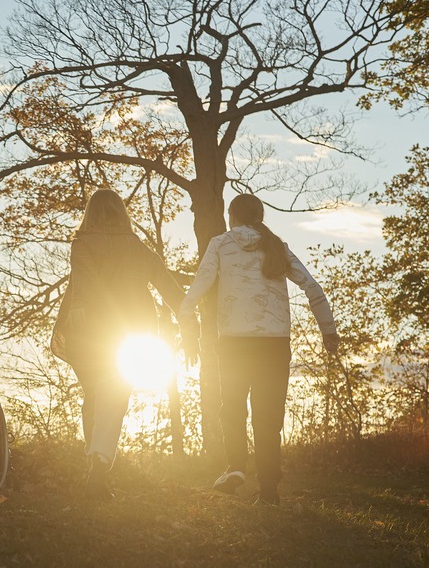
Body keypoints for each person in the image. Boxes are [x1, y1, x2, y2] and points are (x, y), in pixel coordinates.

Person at [179, 193, 340, 505]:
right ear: (260, 216)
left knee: (232, 408)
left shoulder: (220, 244)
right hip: (274, 344)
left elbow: (199, 285)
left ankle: (236, 466)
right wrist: (328, 331)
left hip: (234, 343)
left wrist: (188, 327)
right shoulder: (276, 246)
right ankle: (269, 490)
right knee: (268, 417)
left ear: (232, 216)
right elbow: (312, 287)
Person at [50, 189, 187, 499]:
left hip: (87, 331)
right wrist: (188, 314)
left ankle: (94, 465)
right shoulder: (137, 247)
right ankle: (97, 465)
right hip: (129, 330)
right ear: (121, 214)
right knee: (113, 397)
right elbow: (167, 284)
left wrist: (81, 307)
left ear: (90, 213)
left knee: (96, 397)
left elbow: (83, 278)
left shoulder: (82, 244)